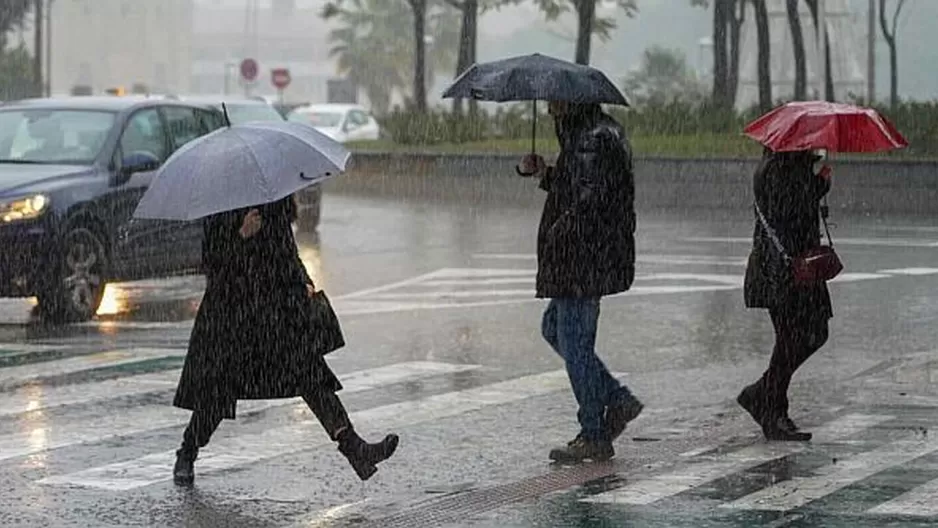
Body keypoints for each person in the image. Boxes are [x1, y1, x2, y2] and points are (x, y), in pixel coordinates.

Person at [172, 195, 398, 485]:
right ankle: (187, 453)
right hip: (231, 317)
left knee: (311, 377)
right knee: (217, 393)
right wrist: (241, 236)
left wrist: (303, 280)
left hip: (275, 312)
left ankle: (356, 449)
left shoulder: (272, 199)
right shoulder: (221, 204)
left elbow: (287, 252)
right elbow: (213, 267)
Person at [517, 101, 644, 463]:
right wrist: (546, 173)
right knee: (555, 327)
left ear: (571, 101)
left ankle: (594, 432)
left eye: (553, 101)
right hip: (590, 256)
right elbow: (581, 185)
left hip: (582, 258)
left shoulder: (591, 139)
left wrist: (561, 230)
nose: (547, 107)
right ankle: (615, 398)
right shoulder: (591, 135)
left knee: (574, 342)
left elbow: (588, 200)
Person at [738, 149, 833, 441]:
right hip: (782, 268)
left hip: (796, 267)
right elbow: (788, 211)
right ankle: (770, 406)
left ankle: (767, 400)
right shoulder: (777, 169)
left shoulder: (787, 166)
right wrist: (818, 187)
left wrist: (815, 186)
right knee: (795, 338)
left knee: (809, 334)